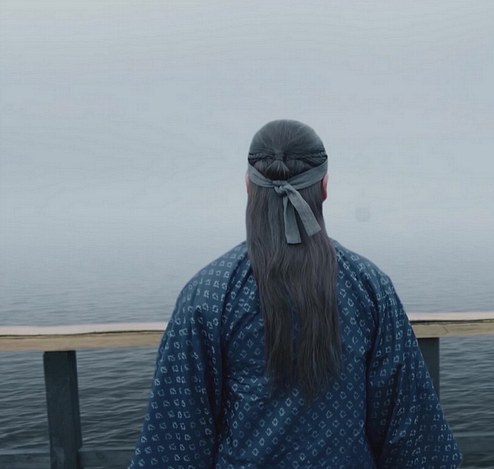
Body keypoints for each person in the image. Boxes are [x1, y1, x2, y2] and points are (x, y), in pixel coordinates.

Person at [129, 120, 461, 468]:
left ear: (248, 186)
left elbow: (175, 441)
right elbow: (413, 436)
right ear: (324, 187)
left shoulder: (208, 294)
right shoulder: (369, 287)